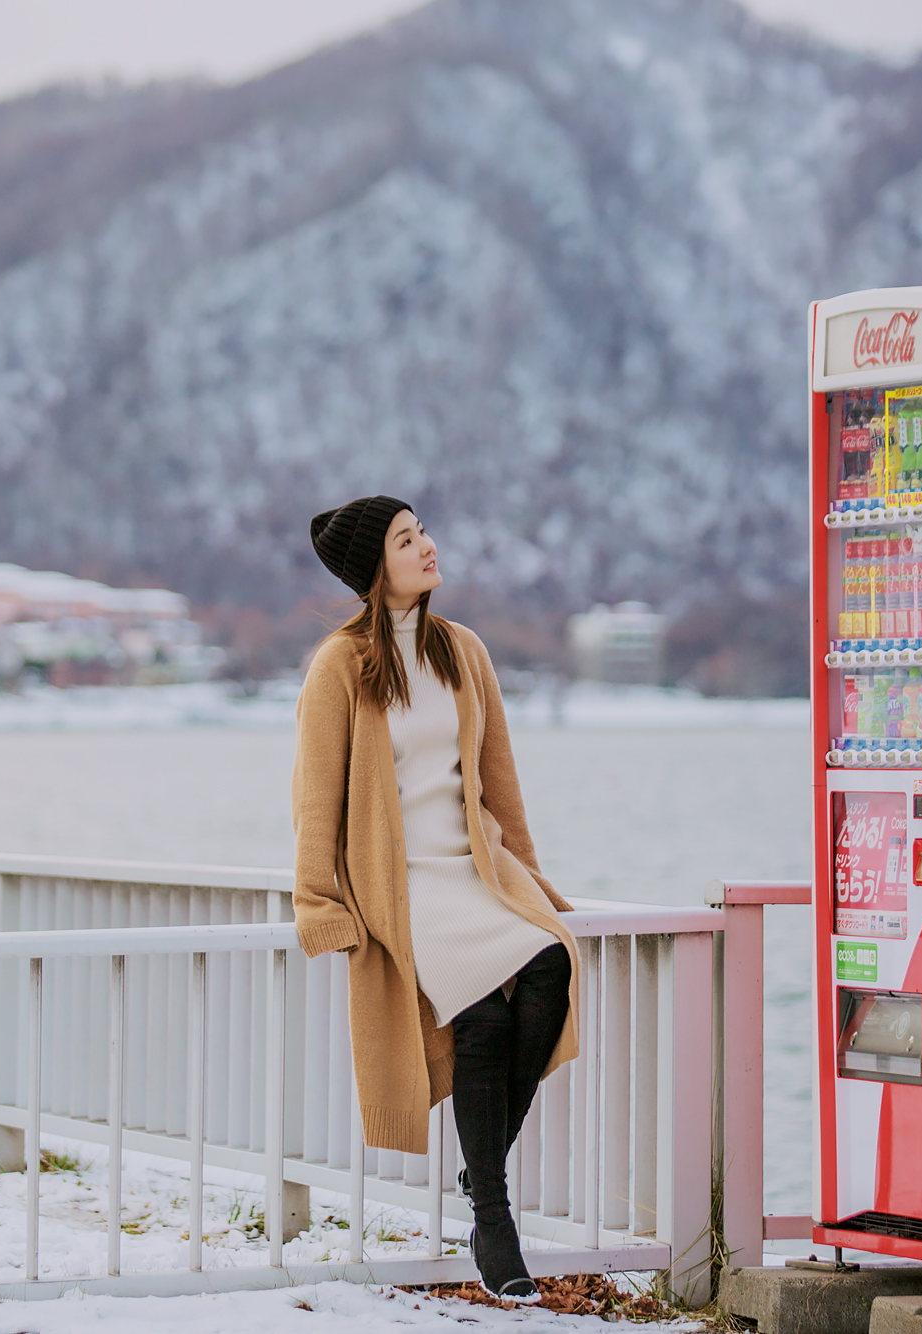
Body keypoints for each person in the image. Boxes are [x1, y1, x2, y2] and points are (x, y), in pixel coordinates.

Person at [292, 495, 579, 1302]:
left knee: (553, 963)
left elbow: (500, 783)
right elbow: (316, 802)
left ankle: (477, 1171)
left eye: (423, 533)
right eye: (407, 539)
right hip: (404, 884)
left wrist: (532, 881)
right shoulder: (339, 667)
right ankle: (495, 1216)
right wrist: (321, 904)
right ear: (373, 568)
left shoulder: (463, 650)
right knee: (484, 1017)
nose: (428, 547)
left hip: (474, 870)